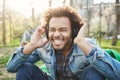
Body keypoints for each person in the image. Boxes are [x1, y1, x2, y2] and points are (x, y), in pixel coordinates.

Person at [7, 6, 120, 80]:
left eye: (63, 30)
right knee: (25, 68)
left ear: (74, 31)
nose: (56, 34)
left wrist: (82, 43)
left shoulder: (86, 45)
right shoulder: (43, 47)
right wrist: (31, 46)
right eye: (52, 29)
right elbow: (11, 68)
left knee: (93, 71)